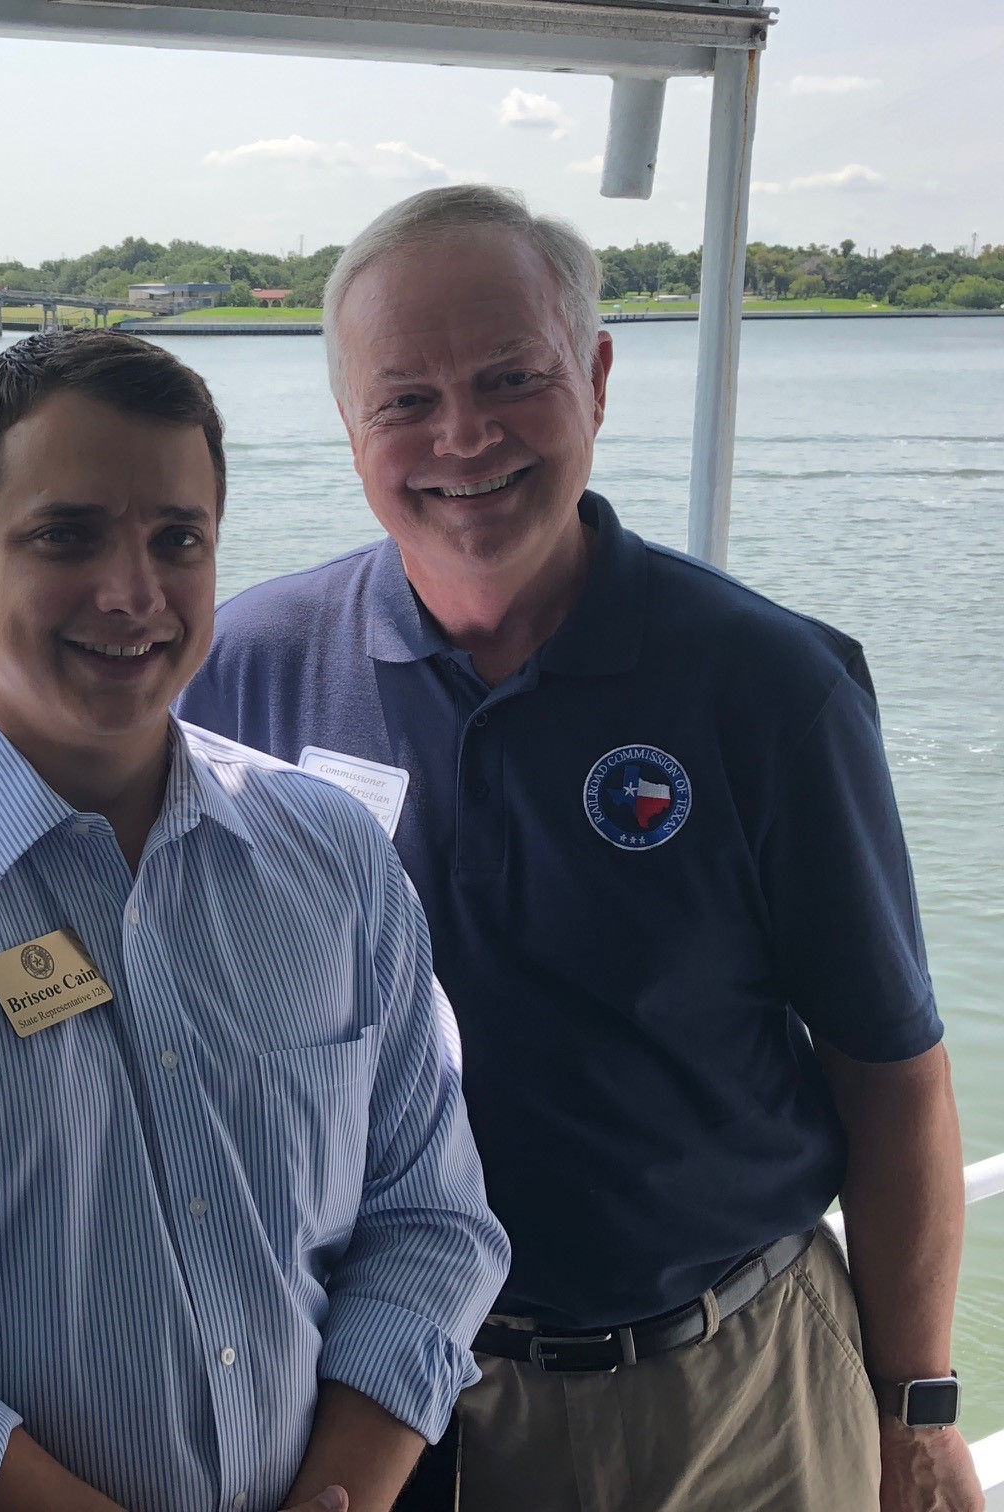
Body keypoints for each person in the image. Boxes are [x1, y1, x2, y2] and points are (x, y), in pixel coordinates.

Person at [177, 185, 982, 1512]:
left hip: (729, 1399)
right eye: (406, 400)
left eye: (511, 379)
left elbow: (892, 1076)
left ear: (597, 377)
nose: (464, 438)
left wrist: (916, 1410)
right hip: (374, 1414)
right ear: (348, 423)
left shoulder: (770, 688)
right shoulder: (241, 677)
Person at [0, 328, 508, 1512]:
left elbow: (431, 1224)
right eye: (66, 536)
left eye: (179, 539)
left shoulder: (333, 862)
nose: (133, 593)